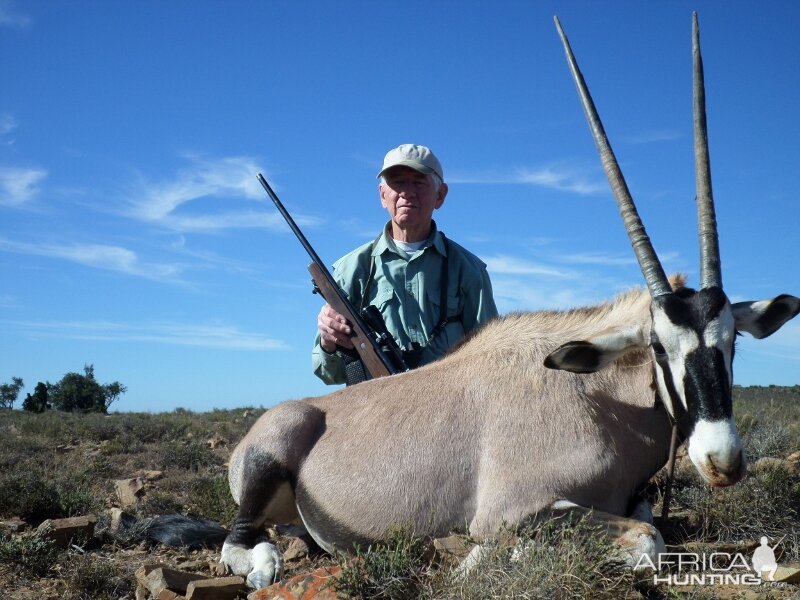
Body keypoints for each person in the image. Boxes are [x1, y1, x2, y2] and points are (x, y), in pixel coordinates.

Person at [312, 143, 498, 384]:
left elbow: (492, 360)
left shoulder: (469, 270)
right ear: (382, 195)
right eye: (397, 182)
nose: (407, 192)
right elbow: (329, 374)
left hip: (450, 409)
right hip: (376, 410)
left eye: (419, 182)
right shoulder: (351, 269)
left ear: (440, 195)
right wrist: (328, 341)